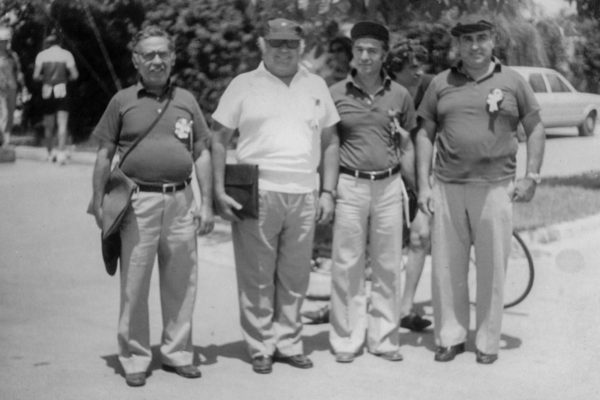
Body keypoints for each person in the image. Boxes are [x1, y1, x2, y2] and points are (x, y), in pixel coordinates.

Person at [211, 18, 340, 374]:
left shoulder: (315, 85)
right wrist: (218, 189)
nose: (284, 50)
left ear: (301, 47)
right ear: (262, 45)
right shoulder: (244, 85)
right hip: (259, 190)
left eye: (290, 44)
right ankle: (260, 345)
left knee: (295, 276)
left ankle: (289, 342)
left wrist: (328, 191)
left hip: (304, 192)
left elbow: (330, 142)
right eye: (276, 43)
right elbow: (218, 138)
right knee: (256, 275)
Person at [415, 17, 545, 364]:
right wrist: (423, 186)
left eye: (481, 39)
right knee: (446, 268)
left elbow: (534, 128)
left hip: (496, 188)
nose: (475, 46)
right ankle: (450, 337)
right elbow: (425, 134)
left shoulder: (513, 81)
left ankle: (488, 341)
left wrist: (531, 176)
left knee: (492, 268)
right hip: (447, 187)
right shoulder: (440, 83)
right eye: (467, 39)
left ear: (493, 41)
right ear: (457, 45)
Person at [90, 25, 214, 387]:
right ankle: (134, 357)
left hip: (181, 199)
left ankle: (177, 353)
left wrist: (206, 206)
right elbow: (103, 154)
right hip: (136, 202)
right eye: (149, 55)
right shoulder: (122, 100)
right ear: (136, 60)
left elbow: (202, 152)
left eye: (163, 54)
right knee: (135, 282)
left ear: (173, 58)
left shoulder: (188, 100)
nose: (157, 60)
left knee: (182, 281)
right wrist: (98, 203)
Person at [328, 21, 417, 364]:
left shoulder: (400, 95)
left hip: (389, 185)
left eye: (372, 51)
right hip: (350, 185)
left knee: (388, 263)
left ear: (383, 56)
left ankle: (383, 338)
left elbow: (407, 144)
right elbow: (330, 144)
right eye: (360, 50)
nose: (365, 57)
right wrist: (328, 189)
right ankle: (347, 339)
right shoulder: (335, 93)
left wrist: (415, 189)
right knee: (347, 263)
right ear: (353, 53)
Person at [385, 38, 434, 332]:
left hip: (421, 176)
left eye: (420, 66)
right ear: (395, 69)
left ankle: (405, 308)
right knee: (380, 246)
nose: (418, 72)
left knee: (419, 239)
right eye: (411, 67)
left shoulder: (429, 88)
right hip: (391, 177)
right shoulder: (389, 92)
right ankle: (344, 303)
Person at [33, 34, 78, 165]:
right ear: (60, 42)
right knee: (62, 123)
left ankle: (49, 153)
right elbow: (75, 74)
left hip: (47, 90)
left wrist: (45, 79)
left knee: (49, 124)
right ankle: (61, 153)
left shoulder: (41, 55)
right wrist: (65, 79)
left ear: (47, 43)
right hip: (61, 89)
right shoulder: (66, 54)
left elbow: (36, 76)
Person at [0, 25, 25, 148]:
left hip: (12, 87)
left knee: (10, 114)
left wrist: (23, 86)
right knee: (3, 113)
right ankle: (2, 138)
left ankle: (7, 140)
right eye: (1, 41)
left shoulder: (13, 56)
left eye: (5, 41)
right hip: (0, 89)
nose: (3, 44)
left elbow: (19, 71)